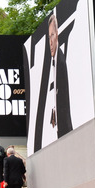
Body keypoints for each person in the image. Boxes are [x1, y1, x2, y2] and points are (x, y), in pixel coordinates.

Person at [33, 13, 72, 151]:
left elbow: (63, 98)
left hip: (65, 128)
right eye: (49, 37)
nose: (50, 41)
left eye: (53, 35)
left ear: (57, 35)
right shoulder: (54, 60)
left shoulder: (60, 60)